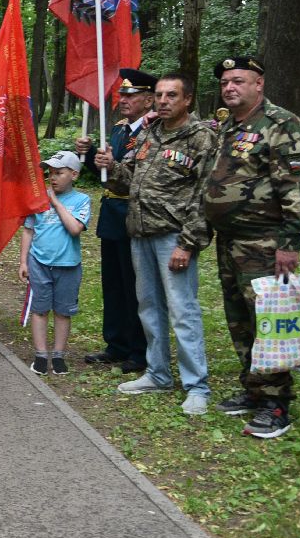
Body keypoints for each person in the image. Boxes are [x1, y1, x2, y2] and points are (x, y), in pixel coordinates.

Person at [202, 55, 300, 439]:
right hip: (230, 241)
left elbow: (297, 186)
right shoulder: (228, 127)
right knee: (239, 319)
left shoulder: (281, 125)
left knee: (267, 320)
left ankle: (276, 402)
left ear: (259, 84)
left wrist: (290, 242)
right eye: (225, 83)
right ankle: (254, 388)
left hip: (265, 242)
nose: (230, 88)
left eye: (238, 81)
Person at [98, 72, 220, 414]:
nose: (164, 101)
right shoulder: (149, 133)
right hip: (139, 233)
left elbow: (205, 195)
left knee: (183, 310)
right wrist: (111, 166)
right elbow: (129, 181)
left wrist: (188, 243)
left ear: (187, 100)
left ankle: (197, 386)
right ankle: (158, 373)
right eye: (161, 95)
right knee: (148, 307)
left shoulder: (201, 137)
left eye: (172, 96)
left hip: (173, 237)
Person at [74, 68, 156, 372]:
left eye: (131, 95)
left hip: (135, 215)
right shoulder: (121, 129)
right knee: (113, 285)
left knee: (135, 285)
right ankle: (116, 343)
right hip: (112, 215)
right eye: (122, 94)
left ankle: (139, 350)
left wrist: (111, 165)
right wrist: (91, 154)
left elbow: (139, 176)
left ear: (148, 100)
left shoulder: (152, 130)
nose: (123, 99)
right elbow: (108, 177)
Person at [19, 151, 91, 375]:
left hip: (68, 265)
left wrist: (55, 203)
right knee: (40, 309)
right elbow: (28, 231)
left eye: (59, 173)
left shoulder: (82, 200)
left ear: (74, 175)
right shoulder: (39, 199)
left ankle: (58, 355)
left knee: (63, 311)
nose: (53, 178)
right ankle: (41, 355)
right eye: (50, 173)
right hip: (39, 262)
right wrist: (23, 261)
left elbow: (75, 228)